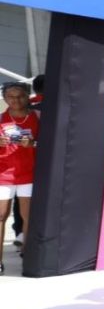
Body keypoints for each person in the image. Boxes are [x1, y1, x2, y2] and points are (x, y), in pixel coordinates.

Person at [0, 82, 38, 271]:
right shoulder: (0, 118)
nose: (16, 100)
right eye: (11, 96)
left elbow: (50, 143)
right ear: (5, 98)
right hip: (3, 175)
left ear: (28, 96)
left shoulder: (37, 117)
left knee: (28, 216)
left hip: (29, 174)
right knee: (1, 216)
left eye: (20, 96)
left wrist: (33, 144)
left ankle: (27, 255)